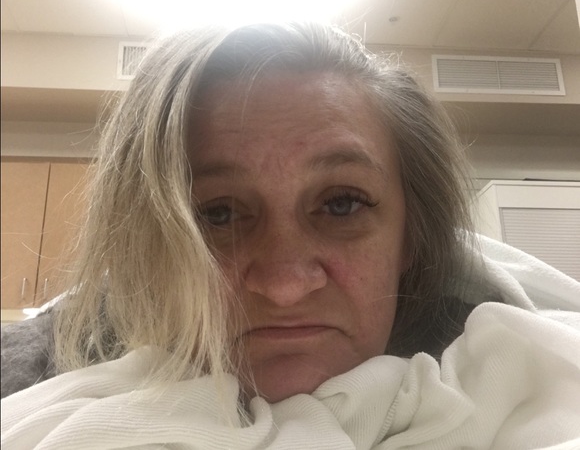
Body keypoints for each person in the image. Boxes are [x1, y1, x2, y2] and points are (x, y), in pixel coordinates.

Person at [2, 22, 580, 449]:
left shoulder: (539, 376)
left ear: (412, 239)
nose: (284, 283)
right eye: (218, 214)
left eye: (342, 204)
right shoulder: (31, 395)